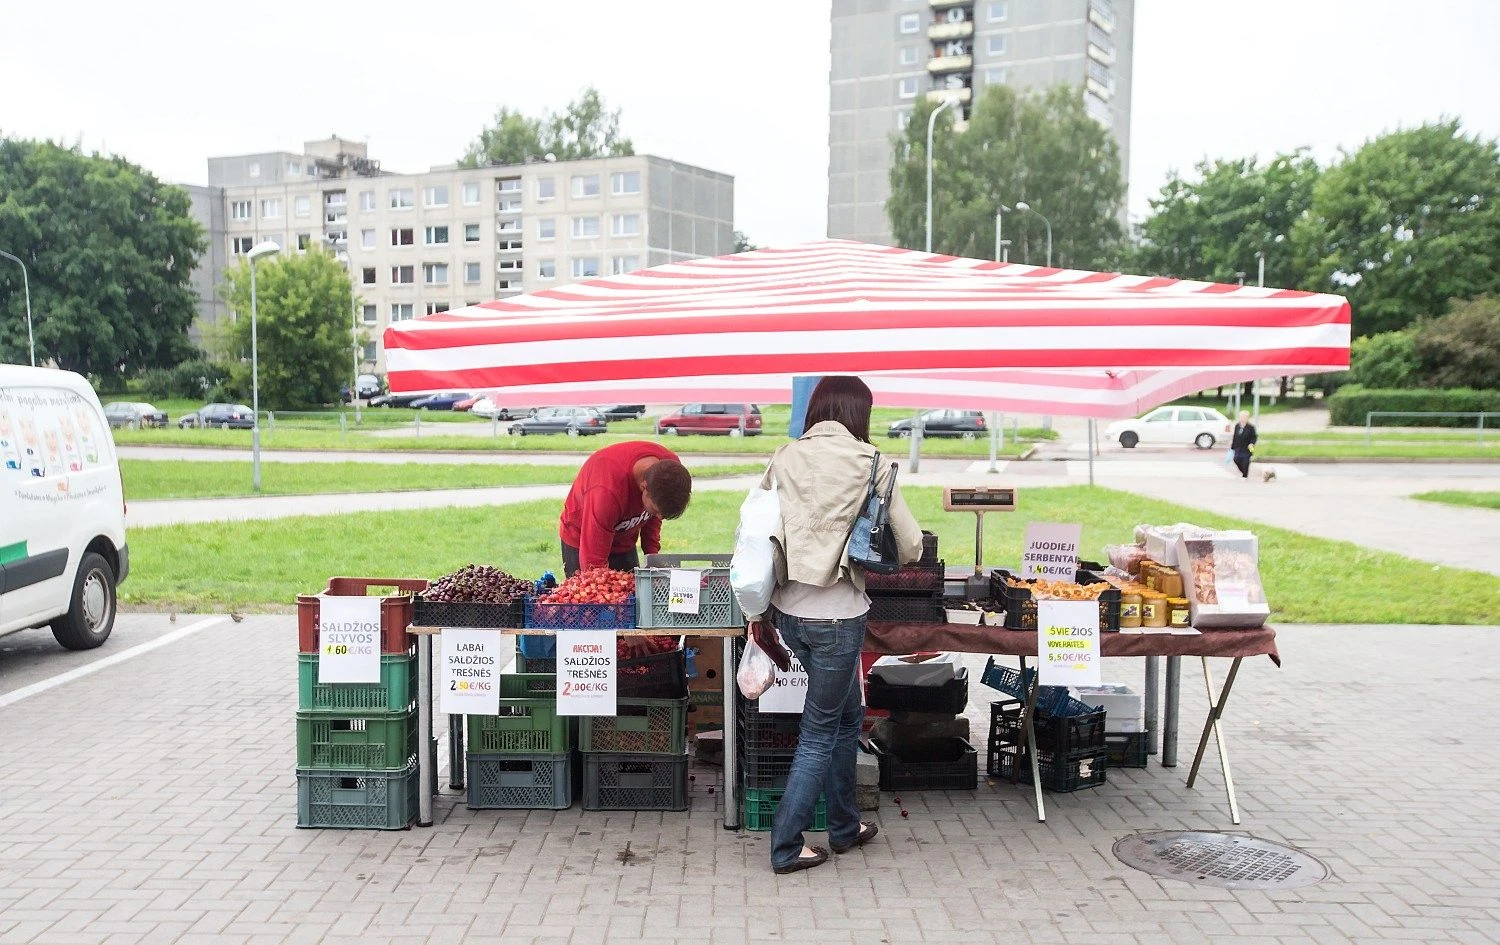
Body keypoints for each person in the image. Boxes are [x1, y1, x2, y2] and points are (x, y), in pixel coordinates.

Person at [749, 376, 923, 875]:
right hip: (838, 618)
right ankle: (786, 845)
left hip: (788, 612)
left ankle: (845, 827)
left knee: (847, 716)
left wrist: (757, 615)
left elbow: (758, 531)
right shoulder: (874, 464)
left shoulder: (784, 457)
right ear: (860, 414)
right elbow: (909, 546)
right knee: (820, 730)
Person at [558, 441, 693, 576]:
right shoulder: (606, 491)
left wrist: (652, 558)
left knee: (631, 592)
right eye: (656, 511)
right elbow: (592, 565)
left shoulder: (669, 470)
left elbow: (654, 515)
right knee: (593, 591)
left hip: (624, 538)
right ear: (644, 487)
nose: (659, 517)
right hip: (582, 538)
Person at [1230, 410, 1258, 479]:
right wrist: (1232, 446)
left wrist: (1252, 444)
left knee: (1245, 461)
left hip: (1247, 447)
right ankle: (1243, 471)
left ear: (1247, 418)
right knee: (1236, 459)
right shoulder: (1237, 426)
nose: (1243, 418)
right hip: (1238, 447)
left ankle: (1245, 475)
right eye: (1241, 417)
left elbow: (1254, 437)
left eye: (1245, 417)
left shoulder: (1251, 427)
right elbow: (1235, 436)